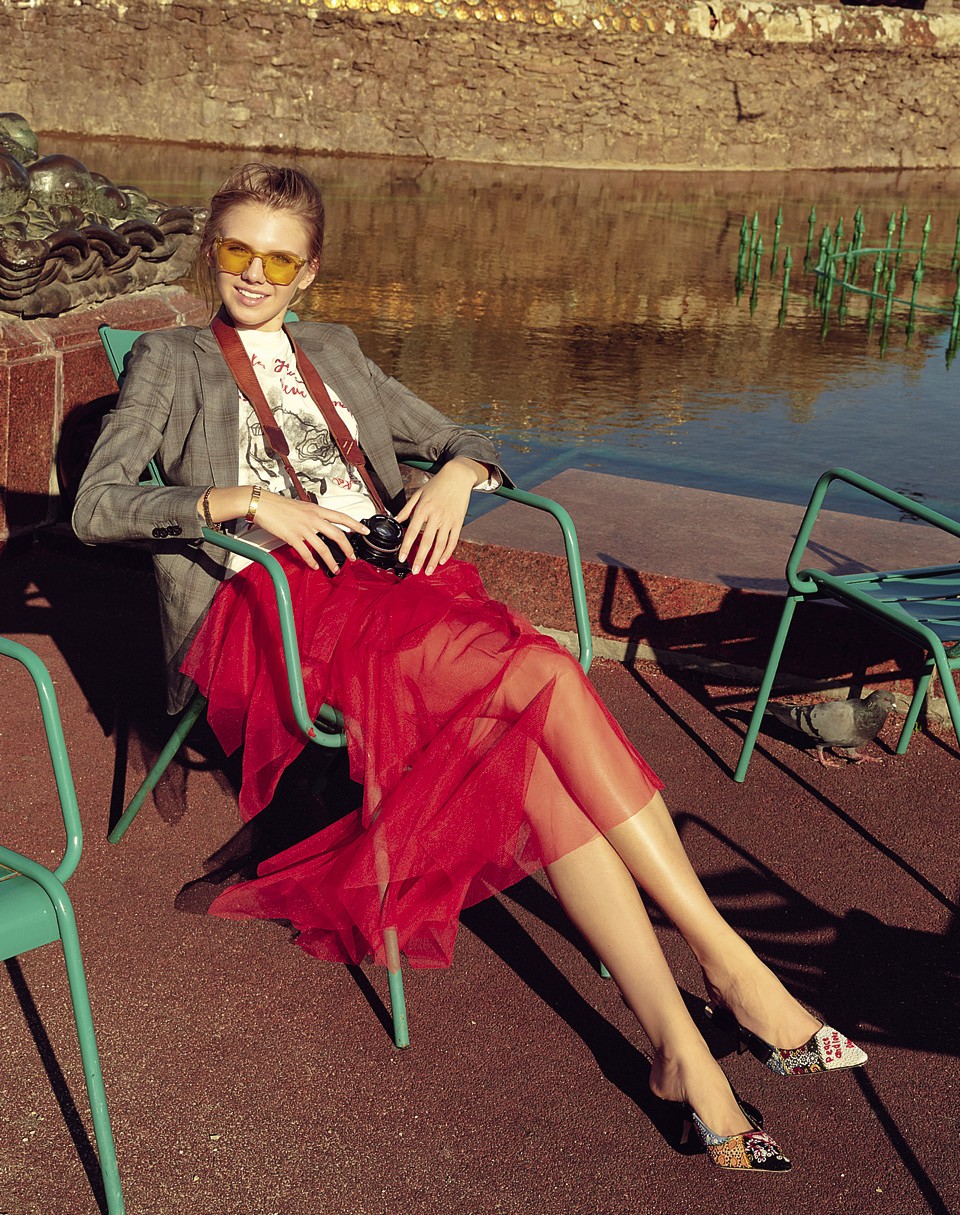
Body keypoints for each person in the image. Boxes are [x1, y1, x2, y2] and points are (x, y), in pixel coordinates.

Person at [73, 163, 866, 1174]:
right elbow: (96, 505)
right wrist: (243, 503)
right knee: (545, 676)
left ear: (309, 271)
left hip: (396, 589)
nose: (255, 275)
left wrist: (458, 472)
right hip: (278, 607)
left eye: (279, 259)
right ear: (210, 250)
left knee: (536, 748)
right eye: (238, 250)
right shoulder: (172, 358)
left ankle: (681, 1051)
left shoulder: (336, 348)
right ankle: (732, 967)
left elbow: (466, 433)